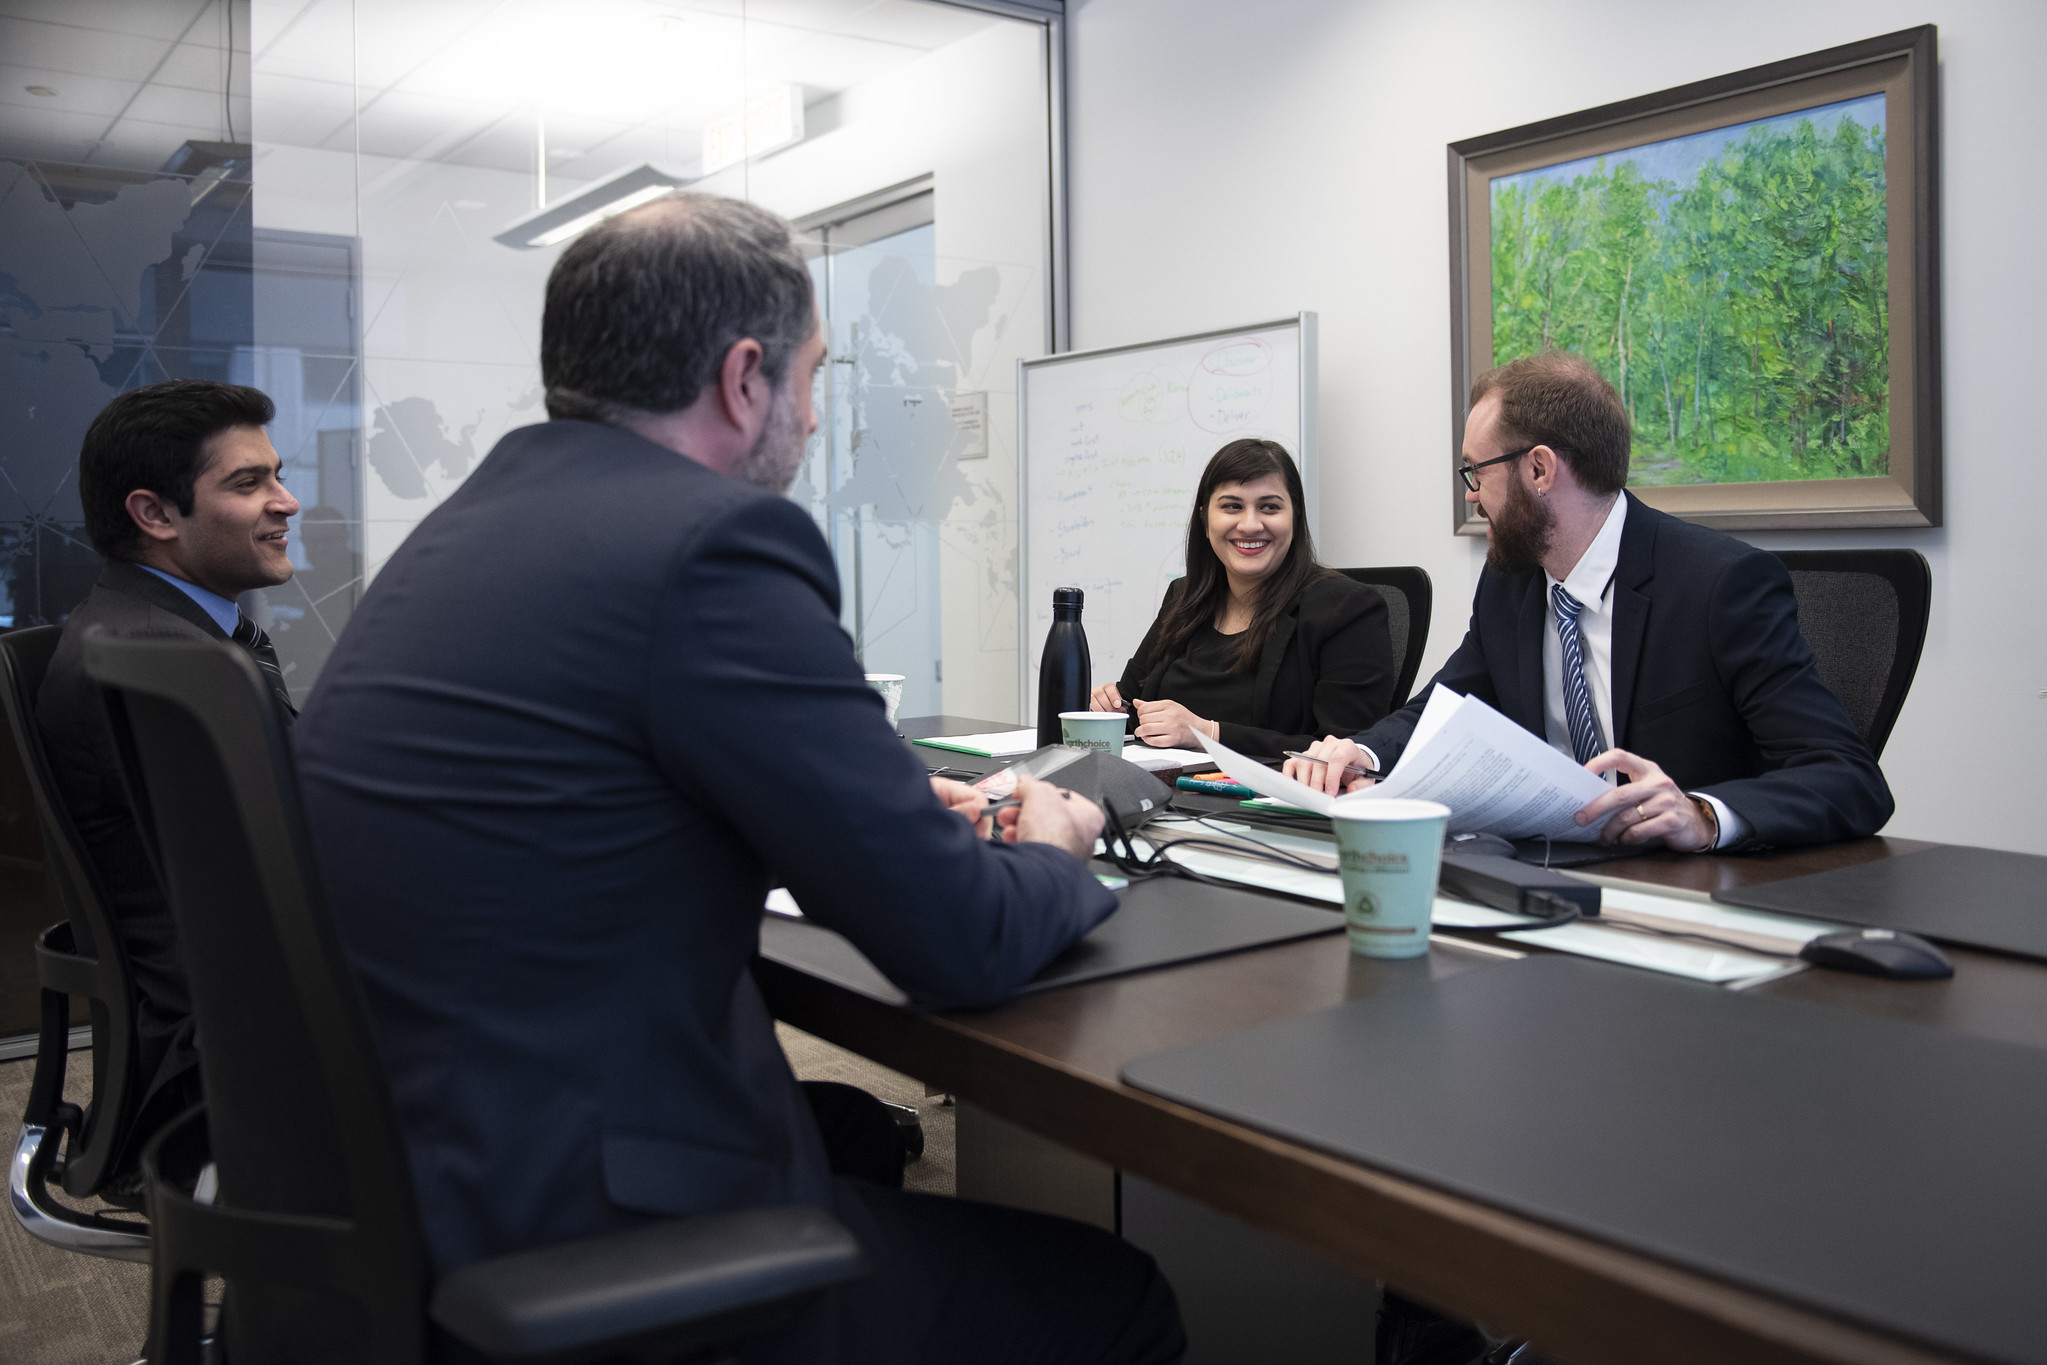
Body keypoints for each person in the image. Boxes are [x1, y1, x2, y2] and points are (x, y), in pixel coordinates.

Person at [293, 193, 1184, 1365]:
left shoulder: (465, 530)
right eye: (814, 377)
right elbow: (958, 944)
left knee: (864, 1152)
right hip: (576, 1232)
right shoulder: (711, 543)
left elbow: (575, 805)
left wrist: (858, 816)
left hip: (407, 1184)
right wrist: (1060, 842)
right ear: (745, 377)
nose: (814, 420)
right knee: (1117, 1299)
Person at [1286, 349, 1892, 851]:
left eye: (1476, 473)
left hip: (1688, 901)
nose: (1472, 497)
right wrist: (1358, 750)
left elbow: (1848, 778)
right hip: (1547, 873)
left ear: (1540, 470)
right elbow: (1446, 709)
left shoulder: (1720, 585)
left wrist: (1703, 816)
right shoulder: (1513, 582)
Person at [37, 379, 301, 1181]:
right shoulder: (165, 669)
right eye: (248, 483)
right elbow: (286, 878)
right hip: (230, 1060)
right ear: (154, 514)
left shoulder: (147, 627)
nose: (286, 502)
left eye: (276, 474)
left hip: (228, 1009)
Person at [1090, 438, 1395, 761]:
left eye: (1270, 507)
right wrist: (1112, 706)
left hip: (1267, 803)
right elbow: (1133, 704)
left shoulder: (1347, 609)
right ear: (1206, 520)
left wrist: (1208, 733)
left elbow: (1349, 752)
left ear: (1295, 518)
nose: (1250, 524)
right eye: (1232, 506)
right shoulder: (1184, 597)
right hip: (1167, 794)